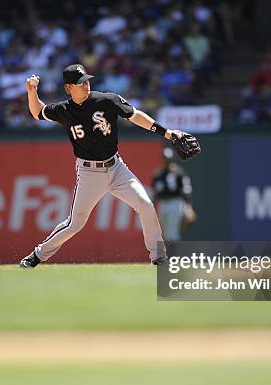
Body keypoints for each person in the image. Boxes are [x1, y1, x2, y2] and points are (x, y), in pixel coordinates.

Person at [20, 64, 186, 267]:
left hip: (117, 168)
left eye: (87, 81)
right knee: (75, 223)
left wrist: (167, 133)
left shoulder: (107, 100)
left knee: (146, 205)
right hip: (89, 172)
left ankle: (158, 257)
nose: (86, 85)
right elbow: (37, 112)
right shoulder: (64, 110)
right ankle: (37, 255)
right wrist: (32, 91)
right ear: (69, 88)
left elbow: (135, 115)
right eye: (80, 83)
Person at [152, 148, 196, 242]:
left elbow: (186, 190)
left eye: (168, 159)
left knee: (172, 233)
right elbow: (155, 194)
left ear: (171, 159)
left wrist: (188, 208)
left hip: (175, 203)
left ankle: (175, 255)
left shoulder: (178, 173)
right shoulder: (158, 175)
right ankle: (172, 255)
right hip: (163, 204)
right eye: (165, 158)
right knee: (166, 234)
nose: (166, 161)